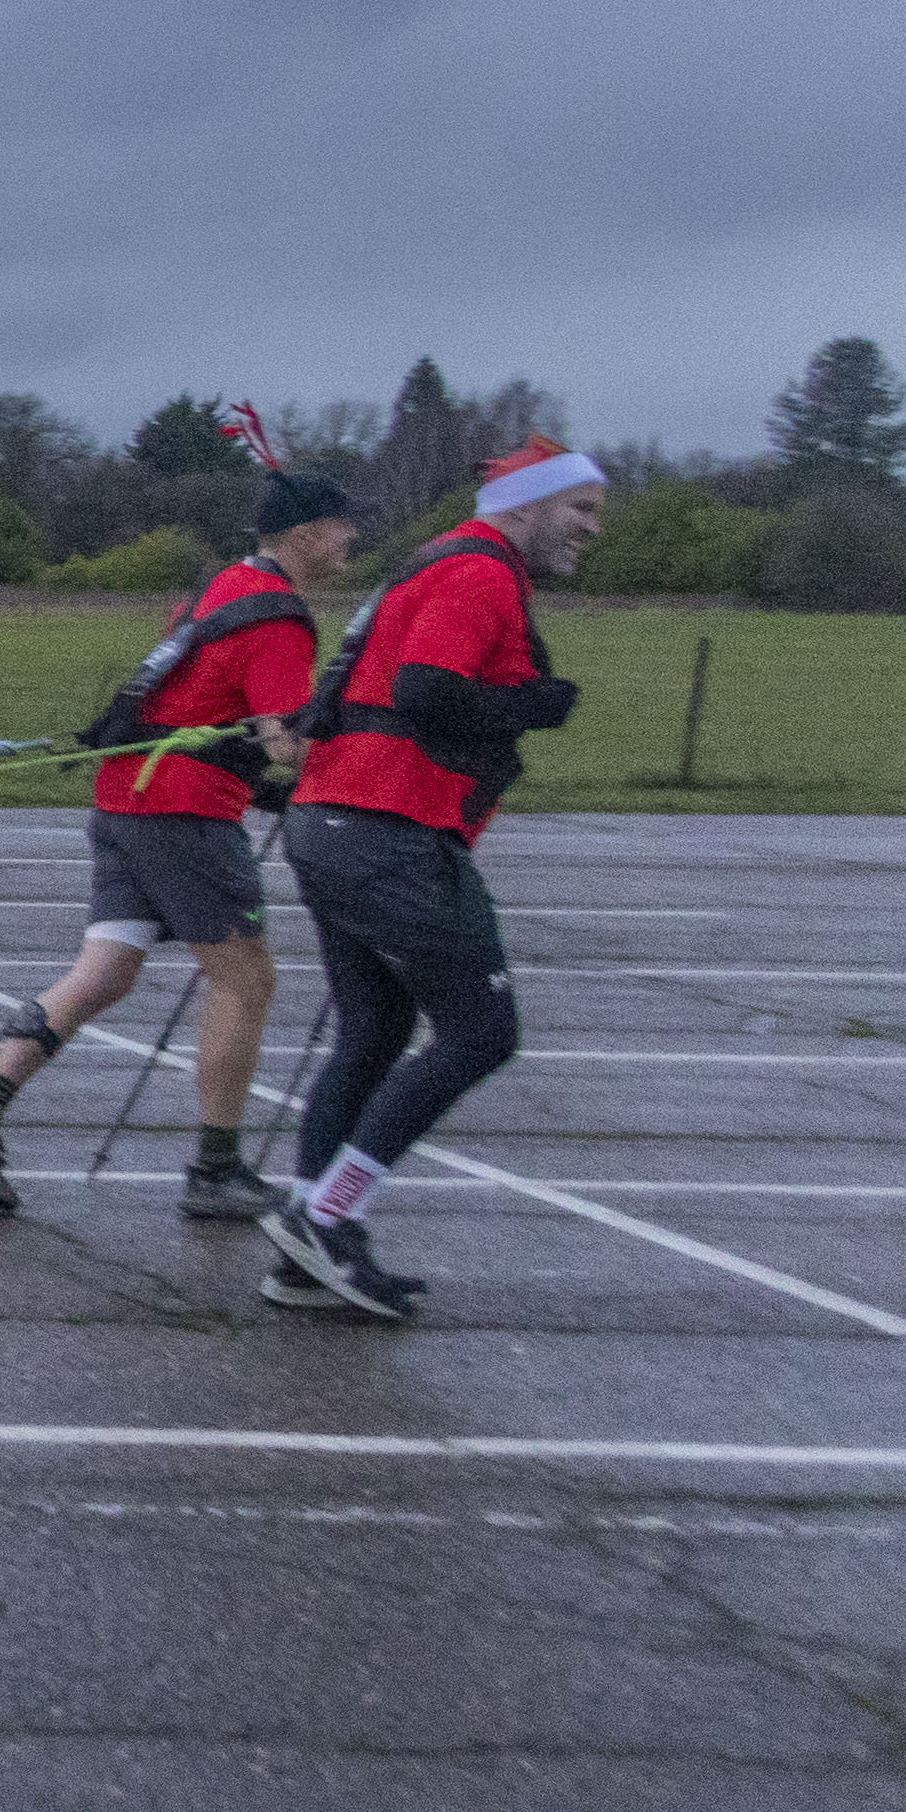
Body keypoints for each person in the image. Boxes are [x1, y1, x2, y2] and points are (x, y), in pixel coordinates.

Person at [0, 466, 353, 1220]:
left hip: (127, 795)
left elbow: (205, 705)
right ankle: (215, 1170)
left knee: (107, 970)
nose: (353, 541)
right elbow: (287, 742)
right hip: (183, 812)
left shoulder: (224, 587)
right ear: (309, 534)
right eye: (346, 527)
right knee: (246, 981)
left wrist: (255, 762)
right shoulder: (278, 617)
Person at [261, 440, 604, 1322]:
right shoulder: (479, 574)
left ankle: (308, 1247)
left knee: (374, 1030)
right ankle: (328, 1215)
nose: (592, 531)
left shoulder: (438, 564)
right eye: (582, 510)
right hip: (386, 831)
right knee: (482, 1033)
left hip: (334, 820)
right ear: (526, 505)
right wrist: (532, 705)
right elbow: (426, 693)